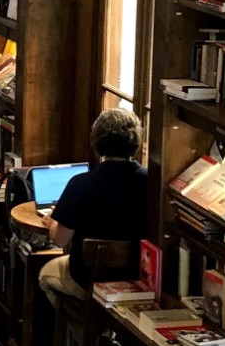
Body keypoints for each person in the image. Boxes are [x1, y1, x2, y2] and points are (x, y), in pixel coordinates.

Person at [39, 107, 148, 303]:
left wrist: (53, 223)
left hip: (88, 279)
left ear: (97, 141)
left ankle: (80, 327)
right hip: (139, 277)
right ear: (136, 141)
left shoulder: (80, 183)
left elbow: (60, 240)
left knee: (45, 275)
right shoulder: (151, 182)